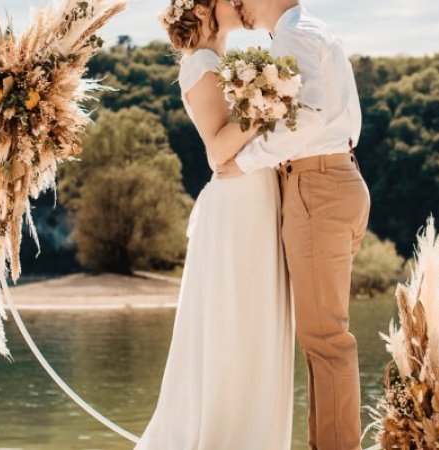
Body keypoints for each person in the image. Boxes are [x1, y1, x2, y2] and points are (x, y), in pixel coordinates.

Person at [135, 0, 294, 449]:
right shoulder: (200, 64)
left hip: (256, 201)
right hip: (237, 209)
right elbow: (219, 149)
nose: (242, 4)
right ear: (205, 9)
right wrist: (269, 100)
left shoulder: (222, 62)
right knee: (235, 328)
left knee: (254, 327)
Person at [218, 1, 371, 449]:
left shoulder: (295, 36)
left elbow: (309, 115)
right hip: (336, 179)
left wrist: (246, 162)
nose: (239, 4)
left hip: (316, 187)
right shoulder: (314, 31)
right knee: (320, 338)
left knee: (326, 340)